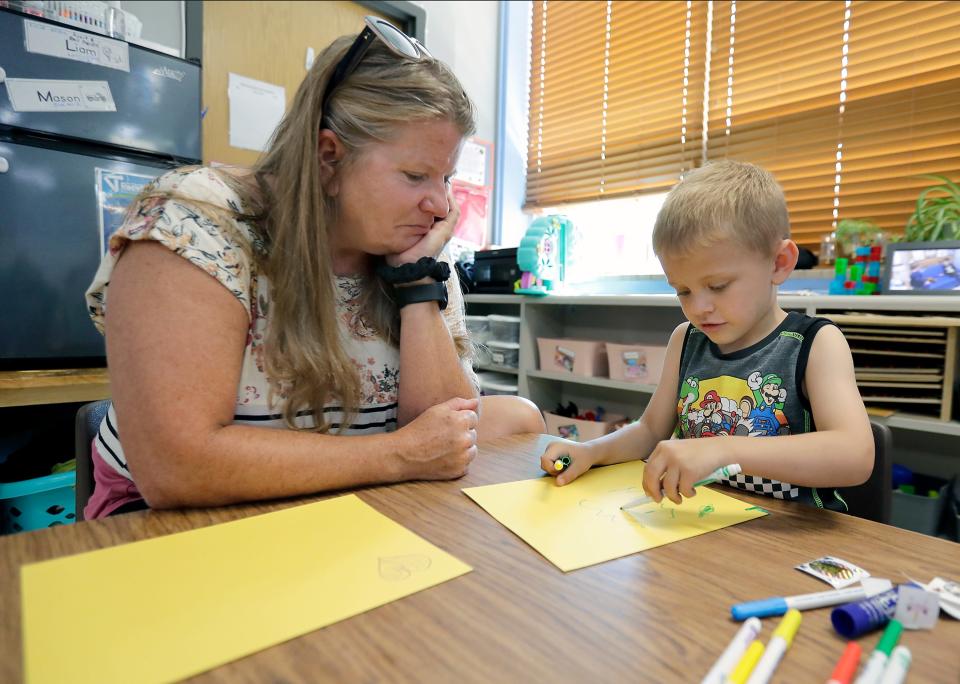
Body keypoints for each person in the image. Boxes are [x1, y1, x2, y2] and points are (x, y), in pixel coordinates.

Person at [84, 17, 543, 518]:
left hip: (340, 507)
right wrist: (394, 455)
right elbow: (177, 468)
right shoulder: (195, 221)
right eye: (415, 176)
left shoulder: (418, 255)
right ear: (329, 156)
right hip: (171, 524)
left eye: (447, 177)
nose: (441, 205)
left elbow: (444, 436)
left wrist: (414, 285)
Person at [539, 161, 873, 511]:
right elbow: (651, 431)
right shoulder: (686, 339)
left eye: (718, 286)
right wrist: (591, 451)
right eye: (682, 290)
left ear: (778, 263)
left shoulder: (815, 343)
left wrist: (723, 448)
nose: (699, 308)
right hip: (699, 527)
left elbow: (855, 455)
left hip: (786, 535)